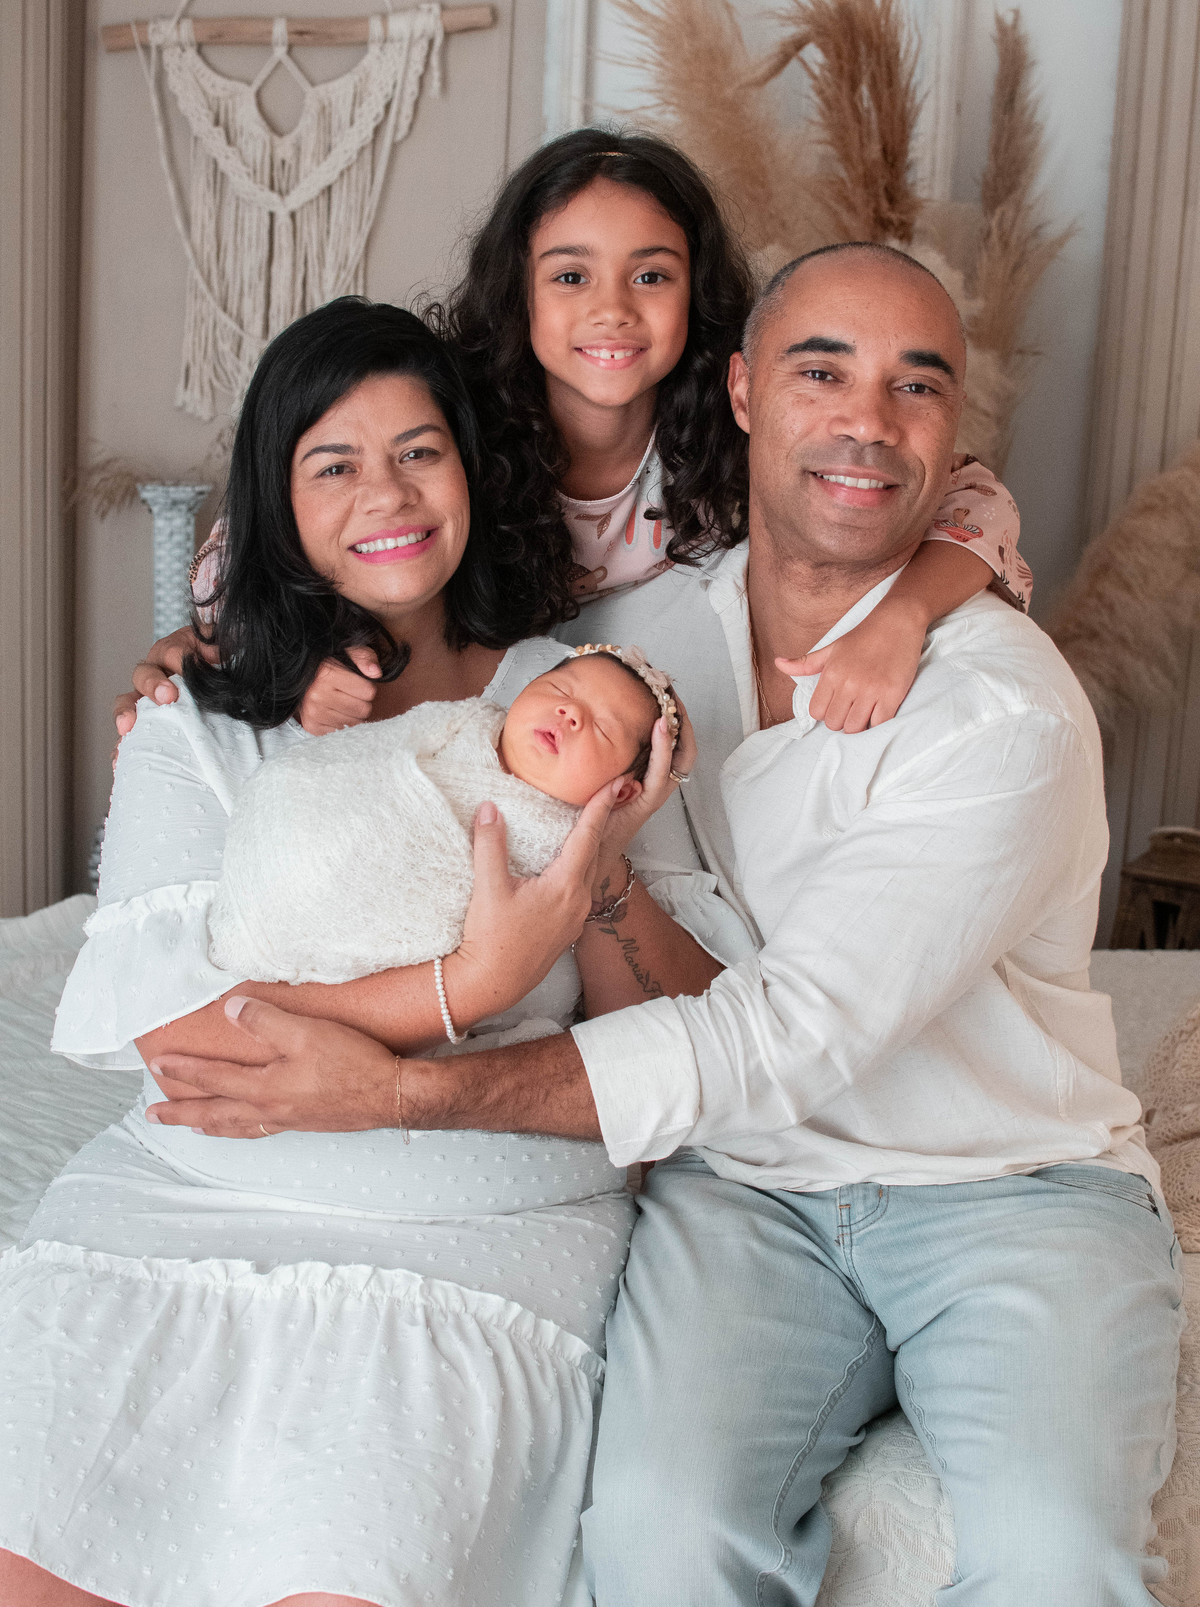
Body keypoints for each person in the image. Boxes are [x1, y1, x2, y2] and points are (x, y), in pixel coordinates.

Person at [149, 246, 1183, 1606]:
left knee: (1059, 1560)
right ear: (744, 390)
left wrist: (405, 1090)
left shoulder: (1002, 709)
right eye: (823, 372)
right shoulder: (632, 645)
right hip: (745, 1195)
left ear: (954, 434)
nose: (868, 422)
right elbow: (383, 577)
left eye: (916, 386)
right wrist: (210, 660)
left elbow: (782, 1036)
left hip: (1009, 1186)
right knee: (654, 1538)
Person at [0, 299, 716, 1607]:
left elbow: (672, 1060)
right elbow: (186, 1040)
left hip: (471, 1237)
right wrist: (471, 989)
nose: (386, 493)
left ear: (470, 474)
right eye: (333, 463)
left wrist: (603, 873)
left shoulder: (577, 704)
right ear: (275, 504)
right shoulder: (202, 718)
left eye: (419, 451)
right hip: (182, 1206)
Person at [140, 128, 1029, 744]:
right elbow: (265, 539)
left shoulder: (737, 422)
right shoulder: (446, 426)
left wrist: (905, 613)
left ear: (696, 294)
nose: (612, 310)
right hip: (462, 714)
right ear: (519, 290)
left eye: (651, 276)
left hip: (627, 723)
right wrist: (234, 652)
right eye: (571, 276)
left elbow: (974, 497)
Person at [209, 644, 681, 992]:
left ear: (622, 791)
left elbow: (496, 920)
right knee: (297, 792)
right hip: (311, 821)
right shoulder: (470, 719)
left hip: (375, 899)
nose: (570, 712)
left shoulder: (568, 847)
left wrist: (607, 840)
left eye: (602, 728)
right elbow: (385, 742)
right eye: (559, 689)